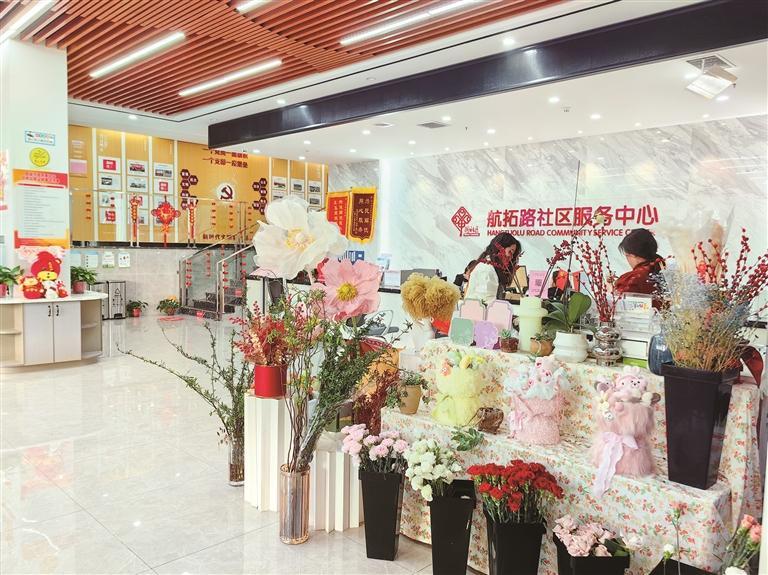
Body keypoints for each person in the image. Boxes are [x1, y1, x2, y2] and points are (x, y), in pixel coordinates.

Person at [464, 233, 522, 301]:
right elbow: (486, 301)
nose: (511, 257)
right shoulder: (486, 269)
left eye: (513, 254)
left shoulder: (492, 268)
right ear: (500, 248)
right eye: (510, 251)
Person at [615, 228, 665, 307]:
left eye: (626, 255)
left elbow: (617, 304)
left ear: (632, 255)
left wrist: (612, 290)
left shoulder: (632, 279)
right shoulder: (665, 270)